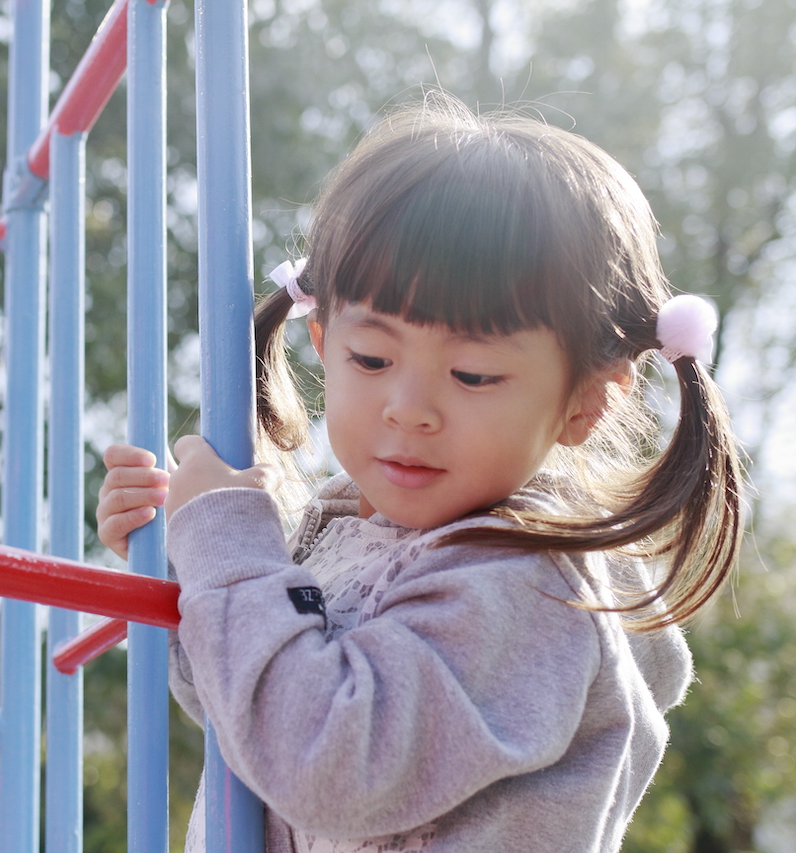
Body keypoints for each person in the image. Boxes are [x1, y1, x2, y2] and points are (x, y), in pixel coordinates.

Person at [96, 95, 744, 853]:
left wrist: (230, 549)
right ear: (322, 340)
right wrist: (189, 562)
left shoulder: (525, 585)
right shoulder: (343, 530)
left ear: (585, 401)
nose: (409, 409)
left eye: (471, 374)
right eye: (372, 358)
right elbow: (249, 724)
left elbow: (323, 767)